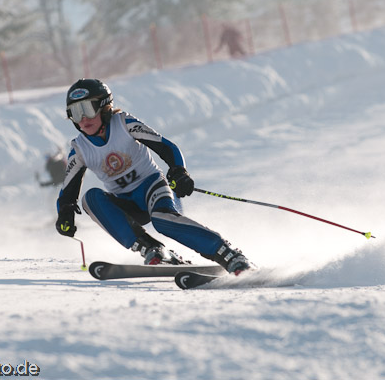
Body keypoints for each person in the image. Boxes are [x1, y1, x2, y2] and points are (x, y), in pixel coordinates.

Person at [54, 79, 251, 274]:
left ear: (105, 107)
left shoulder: (124, 123)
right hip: (126, 204)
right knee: (90, 199)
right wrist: (65, 212)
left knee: (161, 219)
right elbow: (67, 191)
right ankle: (153, 249)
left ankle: (228, 253)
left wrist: (179, 171)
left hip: (152, 189)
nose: (83, 119)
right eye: (75, 113)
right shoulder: (80, 148)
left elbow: (167, 147)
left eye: (87, 109)